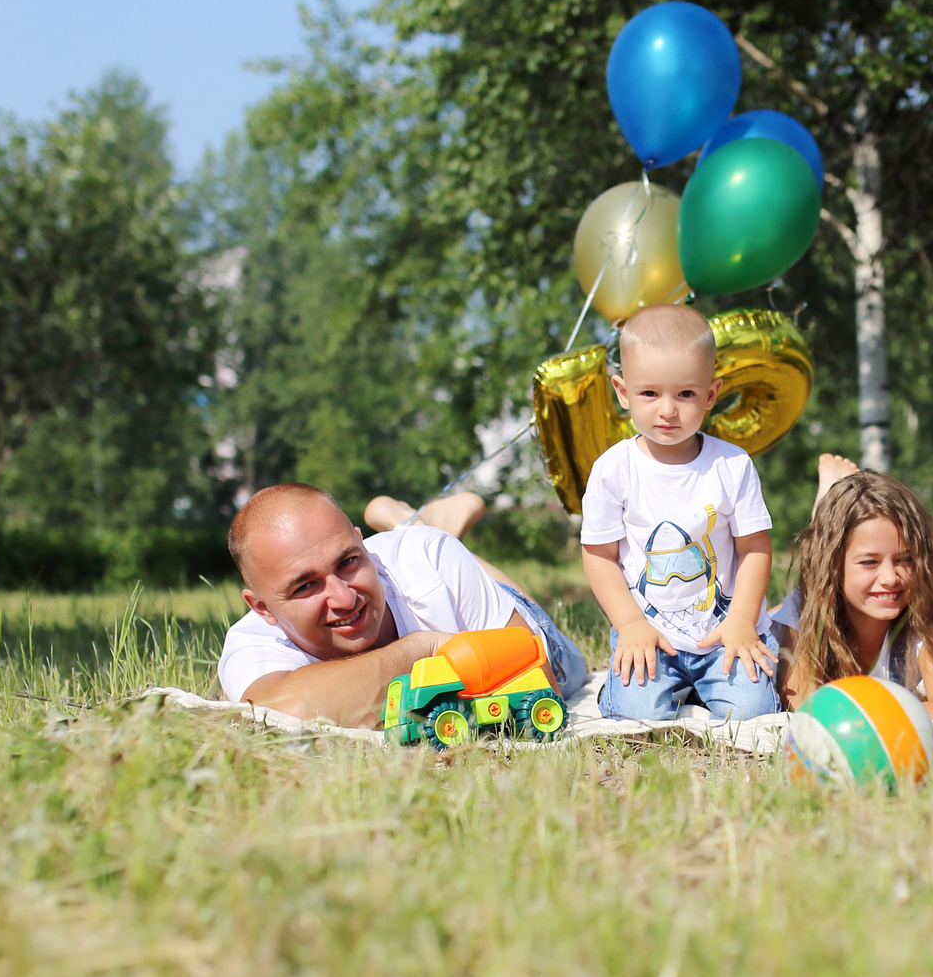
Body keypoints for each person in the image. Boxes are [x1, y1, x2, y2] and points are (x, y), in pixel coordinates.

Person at [218, 483, 588, 726]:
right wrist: (421, 648)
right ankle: (415, 523)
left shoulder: (429, 560)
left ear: (364, 546)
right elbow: (286, 713)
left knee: (566, 657)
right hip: (430, 567)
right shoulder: (250, 644)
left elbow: (542, 682)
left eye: (349, 562)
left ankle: (422, 528)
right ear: (262, 608)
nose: (345, 599)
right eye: (306, 586)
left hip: (541, 640)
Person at [578, 304, 782, 721]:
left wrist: (743, 619)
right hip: (648, 637)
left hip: (723, 637)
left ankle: (704, 689)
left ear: (710, 395)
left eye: (685, 394)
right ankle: (622, 693)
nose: (667, 410)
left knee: (755, 712)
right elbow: (599, 555)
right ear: (622, 392)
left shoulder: (732, 465)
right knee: (638, 714)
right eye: (649, 393)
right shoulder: (613, 469)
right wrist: (631, 624)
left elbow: (755, 549)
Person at [768, 454, 933, 719]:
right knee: (809, 582)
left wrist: (860, 711)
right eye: (869, 562)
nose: (890, 577)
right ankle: (827, 499)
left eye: (906, 559)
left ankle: (833, 496)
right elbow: (803, 704)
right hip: (775, 624)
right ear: (834, 566)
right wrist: (905, 711)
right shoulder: (804, 611)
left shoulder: (924, 616)